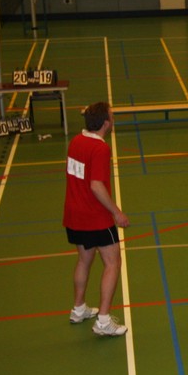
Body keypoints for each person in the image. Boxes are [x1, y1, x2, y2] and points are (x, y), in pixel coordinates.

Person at [64, 102, 131, 337]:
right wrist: (116, 212)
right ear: (105, 123)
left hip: (74, 214)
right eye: (111, 116)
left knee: (84, 260)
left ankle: (79, 309)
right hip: (96, 217)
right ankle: (103, 321)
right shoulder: (100, 149)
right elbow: (96, 186)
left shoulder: (75, 141)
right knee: (112, 263)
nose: (113, 119)